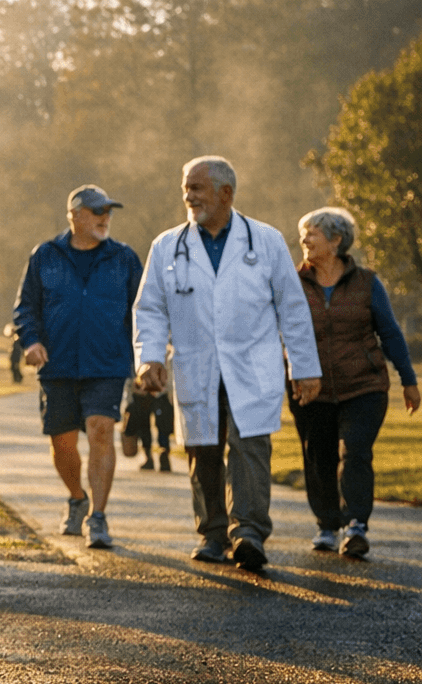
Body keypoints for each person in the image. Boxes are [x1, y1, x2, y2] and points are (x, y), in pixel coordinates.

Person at [134, 156, 321, 571]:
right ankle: (213, 533)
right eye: (186, 187)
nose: (188, 195)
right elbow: (149, 308)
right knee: (203, 450)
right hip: (196, 363)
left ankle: (249, 532)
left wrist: (304, 367)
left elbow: (292, 308)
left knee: (250, 446)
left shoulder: (266, 241)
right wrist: (148, 358)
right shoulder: (167, 245)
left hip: (252, 364)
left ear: (226, 193)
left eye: (197, 188)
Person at [13, 185, 142, 549]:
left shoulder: (124, 258)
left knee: (102, 430)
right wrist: (31, 341)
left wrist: (145, 358)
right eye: (96, 211)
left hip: (107, 363)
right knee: (62, 442)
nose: (105, 218)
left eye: (108, 211)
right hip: (58, 364)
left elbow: (143, 309)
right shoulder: (46, 255)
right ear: (74, 215)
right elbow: (25, 307)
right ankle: (76, 497)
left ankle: (97, 517)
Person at [289, 207, 418, 558]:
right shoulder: (292, 281)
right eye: (303, 233)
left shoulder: (366, 282)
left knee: (356, 452)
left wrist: (409, 379)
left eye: (312, 233)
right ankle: (328, 524)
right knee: (319, 456)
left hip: (363, 386)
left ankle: (357, 524)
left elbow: (389, 333)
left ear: (335, 240)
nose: (304, 240)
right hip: (310, 387)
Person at [121, 370, 175, 471]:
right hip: (140, 390)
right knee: (143, 426)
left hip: (160, 390)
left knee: (163, 425)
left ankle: (164, 455)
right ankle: (148, 457)